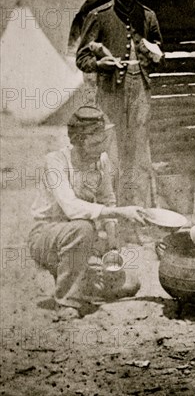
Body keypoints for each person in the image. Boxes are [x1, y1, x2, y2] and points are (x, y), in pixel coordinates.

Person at [28, 106, 147, 320]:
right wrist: (121, 213)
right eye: (94, 143)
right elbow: (71, 208)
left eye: (102, 141)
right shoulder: (55, 161)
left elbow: (107, 200)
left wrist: (111, 247)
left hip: (82, 240)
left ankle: (81, 281)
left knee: (131, 283)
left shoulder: (101, 161)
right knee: (83, 228)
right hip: (47, 238)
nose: (100, 148)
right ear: (78, 140)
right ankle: (67, 302)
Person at [76, 0, 163, 209]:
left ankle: (140, 214)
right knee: (111, 153)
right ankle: (111, 214)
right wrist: (99, 65)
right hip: (111, 91)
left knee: (139, 155)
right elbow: (82, 57)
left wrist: (153, 54)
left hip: (140, 92)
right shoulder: (99, 16)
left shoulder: (147, 16)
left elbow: (160, 53)